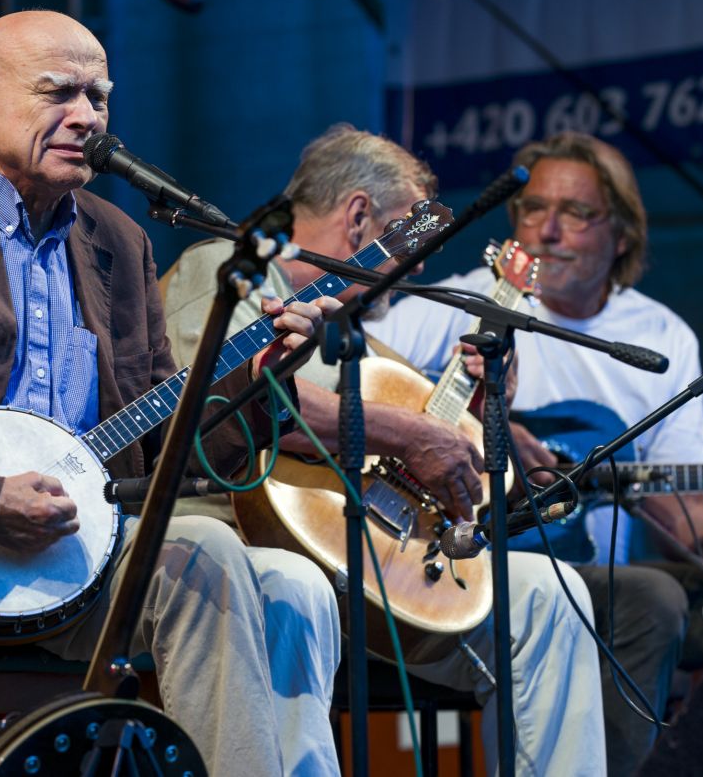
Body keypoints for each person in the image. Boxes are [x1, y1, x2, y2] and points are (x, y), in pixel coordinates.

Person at [0, 11, 341, 776]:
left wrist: (261, 379)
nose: (87, 116)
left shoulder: (118, 240)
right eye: (58, 92)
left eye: (98, 97)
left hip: (83, 557)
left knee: (205, 548)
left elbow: (163, 449)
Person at [372, 130, 703, 774]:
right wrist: (467, 427)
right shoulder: (453, 304)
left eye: (576, 212)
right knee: (642, 599)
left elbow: (679, 515)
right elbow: (354, 375)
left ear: (622, 234)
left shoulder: (657, 335)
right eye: (533, 209)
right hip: (443, 556)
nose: (547, 230)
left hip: (593, 578)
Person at [162, 124, 607, 775]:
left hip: (372, 562)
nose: (419, 264)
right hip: (247, 545)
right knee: (292, 590)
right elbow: (228, 398)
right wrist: (405, 432)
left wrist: (487, 409)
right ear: (358, 217)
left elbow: (447, 473)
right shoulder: (230, 272)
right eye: (412, 238)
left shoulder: (370, 346)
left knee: (546, 594)